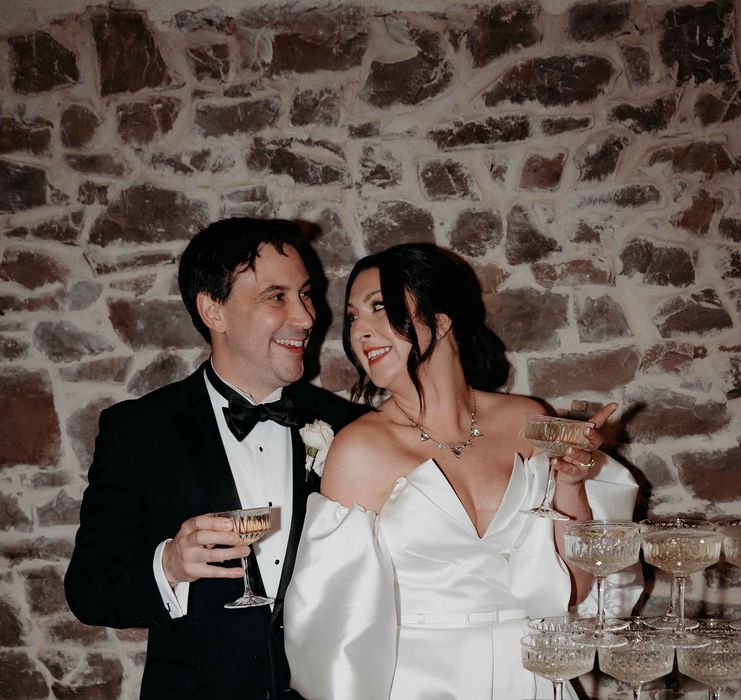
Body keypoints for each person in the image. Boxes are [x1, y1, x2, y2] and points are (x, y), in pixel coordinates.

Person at [284, 243, 643, 700]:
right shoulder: (360, 450)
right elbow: (329, 624)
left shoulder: (526, 421)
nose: (362, 332)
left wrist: (570, 484)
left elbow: (571, 591)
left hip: (530, 676)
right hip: (419, 683)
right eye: (353, 317)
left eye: (380, 309)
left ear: (441, 319)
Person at [65, 218, 365, 700]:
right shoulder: (139, 431)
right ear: (214, 310)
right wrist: (170, 564)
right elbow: (90, 590)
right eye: (277, 296)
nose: (307, 317)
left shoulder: (352, 428)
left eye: (305, 293)